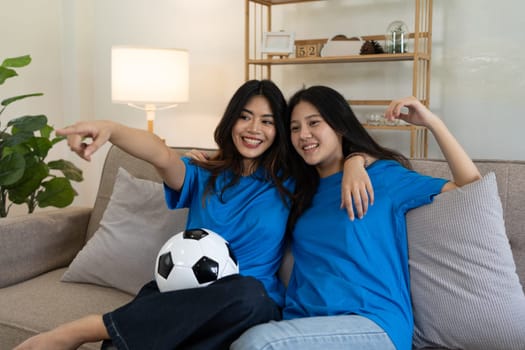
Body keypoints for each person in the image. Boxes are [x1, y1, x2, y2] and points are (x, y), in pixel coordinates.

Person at [14, 80, 364, 350]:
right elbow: (161, 155)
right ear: (231, 121)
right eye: (244, 116)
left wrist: (355, 161)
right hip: (180, 294)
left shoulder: (291, 180)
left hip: (246, 306)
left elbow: (335, 145)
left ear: (279, 132)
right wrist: (112, 129)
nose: (253, 128)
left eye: (267, 121)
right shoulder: (204, 174)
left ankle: (85, 328)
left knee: (249, 294)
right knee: (143, 321)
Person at [231, 86, 481, 350]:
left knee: (257, 344)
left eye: (314, 123)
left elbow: (470, 185)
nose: (304, 135)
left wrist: (432, 123)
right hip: (303, 323)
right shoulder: (298, 189)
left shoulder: (383, 178)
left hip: (371, 323)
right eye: (294, 128)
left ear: (339, 126)